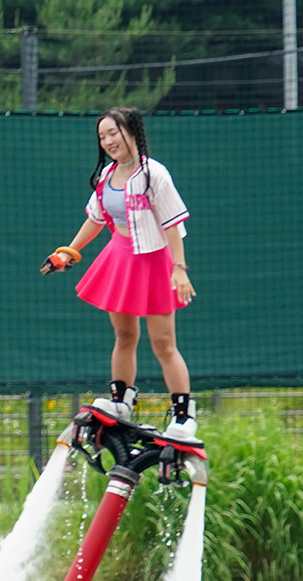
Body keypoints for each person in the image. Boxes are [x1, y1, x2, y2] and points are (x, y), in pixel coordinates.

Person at [41, 106, 201, 442]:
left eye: (113, 133)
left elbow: (173, 223)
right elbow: (96, 219)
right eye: (102, 136)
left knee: (163, 343)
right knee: (125, 337)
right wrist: (67, 252)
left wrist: (179, 268)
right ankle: (121, 402)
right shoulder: (105, 177)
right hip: (119, 258)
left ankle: (184, 416)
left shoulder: (153, 174)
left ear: (132, 131)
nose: (108, 141)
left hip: (155, 260)